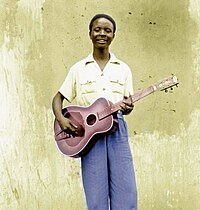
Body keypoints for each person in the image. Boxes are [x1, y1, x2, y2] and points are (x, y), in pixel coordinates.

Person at [52, 13, 137, 210]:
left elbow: (128, 104)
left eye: (107, 30)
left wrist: (129, 108)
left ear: (113, 35)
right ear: (90, 34)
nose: (102, 34)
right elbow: (58, 98)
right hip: (90, 136)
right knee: (95, 195)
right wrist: (62, 120)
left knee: (126, 191)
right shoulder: (78, 69)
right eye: (97, 29)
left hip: (117, 131)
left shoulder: (123, 69)